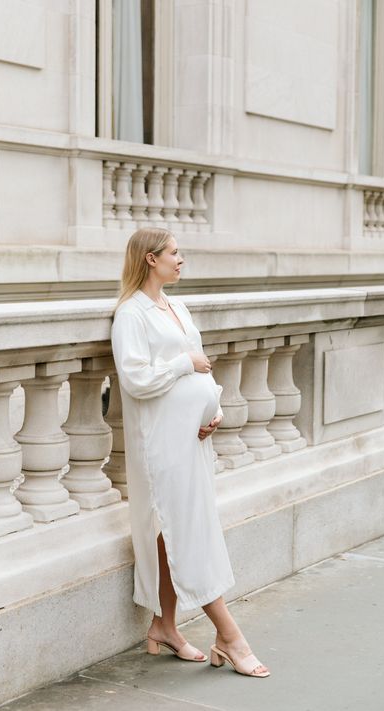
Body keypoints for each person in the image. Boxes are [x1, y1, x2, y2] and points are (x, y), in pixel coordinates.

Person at [111, 227, 270, 678]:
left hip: (192, 438)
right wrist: (186, 365)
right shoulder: (131, 315)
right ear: (149, 259)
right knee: (187, 532)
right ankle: (230, 636)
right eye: (175, 253)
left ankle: (164, 626)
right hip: (160, 444)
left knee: (177, 531)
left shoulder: (176, 306)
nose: (181, 260)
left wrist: (212, 410)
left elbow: (198, 370)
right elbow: (136, 379)